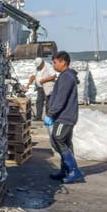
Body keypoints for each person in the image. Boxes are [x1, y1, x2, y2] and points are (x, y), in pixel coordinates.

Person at [44, 51, 84, 183]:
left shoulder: (66, 77)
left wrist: (51, 113)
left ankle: (74, 170)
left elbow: (61, 99)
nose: (54, 65)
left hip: (64, 117)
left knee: (58, 139)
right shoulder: (65, 76)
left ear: (63, 62)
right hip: (65, 116)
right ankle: (65, 170)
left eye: (55, 62)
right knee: (65, 142)